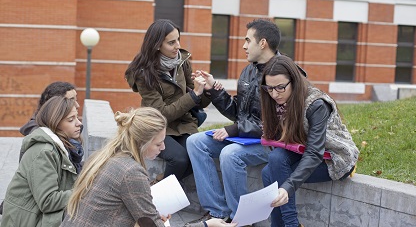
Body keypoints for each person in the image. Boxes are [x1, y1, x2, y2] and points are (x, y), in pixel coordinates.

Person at [186, 19, 306, 223]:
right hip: (248, 138)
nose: (243, 45)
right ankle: (217, 212)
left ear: (262, 43)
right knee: (195, 142)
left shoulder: (287, 74)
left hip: (274, 142)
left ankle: (239, 220)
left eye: (247, 40)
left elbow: (279, 123)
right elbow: (237, 112)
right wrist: (214, 87)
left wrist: (234, 130)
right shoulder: (249, 70)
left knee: (231, 155)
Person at [61, 107, 237, 227]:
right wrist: (207, 224)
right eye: (159, 143)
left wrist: (149, 217)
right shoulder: (131, 172)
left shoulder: (103, 156)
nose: (164, 148)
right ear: (142, 143)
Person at [259, 56, 359, 227]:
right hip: (301, 151)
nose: (274, 94)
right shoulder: (275, 101)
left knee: (270, 174)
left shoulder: (316, 104)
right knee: (274, 162)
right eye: (270, 88)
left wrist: (288, 186)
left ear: (294, 81)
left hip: (332, 159)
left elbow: (314, 152)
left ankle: (290, 224)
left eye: (280, 87)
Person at [125, 19, 211, 182]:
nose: (177, 45)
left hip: (184, 123)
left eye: (178, 39)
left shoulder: (182, 61)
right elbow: (162, 114)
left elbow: (199, 102)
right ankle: (158, 194)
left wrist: (206, 90)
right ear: (157, 45)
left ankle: (159, 183)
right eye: (171, 42)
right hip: (156, 126)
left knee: (197, 156)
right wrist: (193, 96)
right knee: (179, 159)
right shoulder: (143, 73)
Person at [0, 81, 82, 215]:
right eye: (71, 119)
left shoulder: (60, 141)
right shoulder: (43, 149)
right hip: (31, 217)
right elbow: (47, 201)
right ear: (55, 117)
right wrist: (84, 191)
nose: (79, 123)